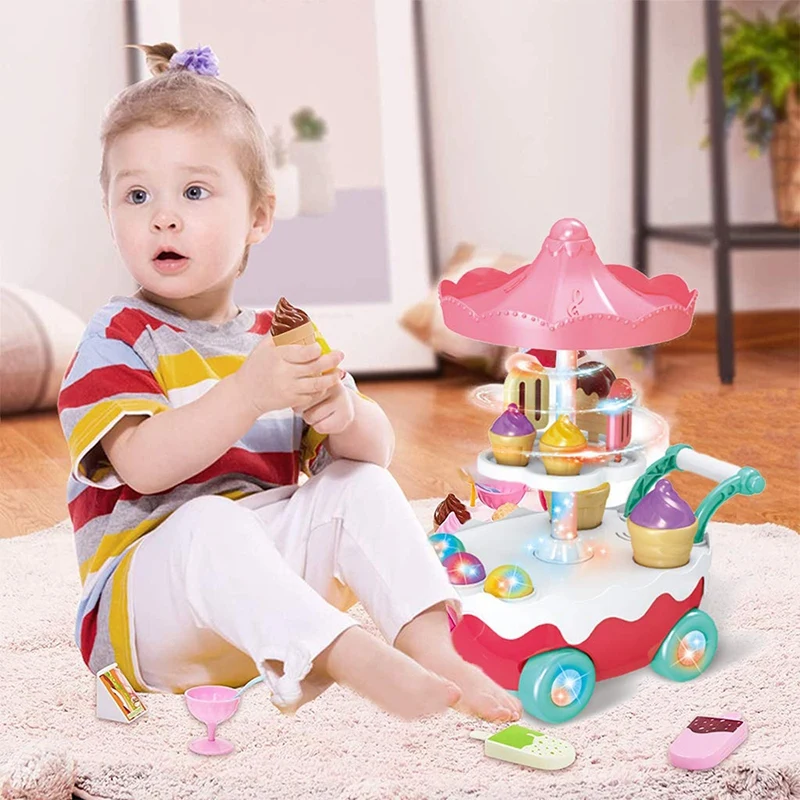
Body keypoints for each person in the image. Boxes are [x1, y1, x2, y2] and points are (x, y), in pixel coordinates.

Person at [57, 43, 521, 723]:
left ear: (258, 218)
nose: (163, 216)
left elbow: (373, 457)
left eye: (193, 192)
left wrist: (342, 411)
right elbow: (144, 467)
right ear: (110, 213)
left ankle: (435, 649)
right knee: (207, 520)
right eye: (136, 195)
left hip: (265, 603)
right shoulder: (117, 337)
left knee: (358, 484)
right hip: (149, 618)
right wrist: (248, 393)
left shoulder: (277, 338)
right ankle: (343, 654)